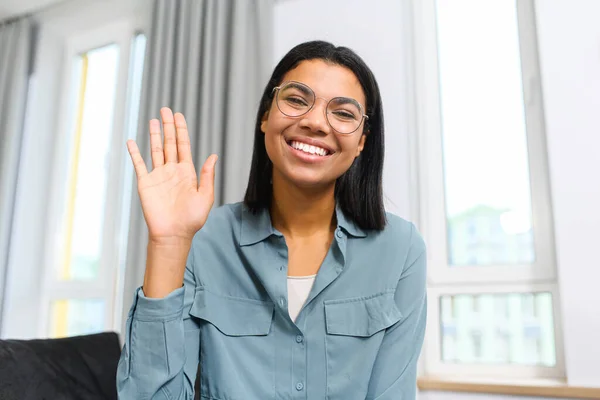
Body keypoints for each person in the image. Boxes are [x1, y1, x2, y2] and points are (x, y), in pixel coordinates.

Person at [116, 40, 427, 400]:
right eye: (296, 100)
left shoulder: (402, 250)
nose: (314, 122)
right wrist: (169, 244)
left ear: (361, 142)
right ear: (266, 116)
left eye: (343, 113)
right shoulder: (204, 239)